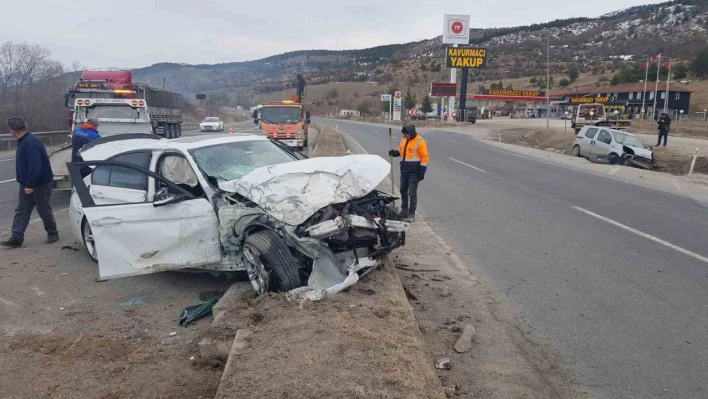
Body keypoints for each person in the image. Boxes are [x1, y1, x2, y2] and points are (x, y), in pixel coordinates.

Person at [1, 117, 58, 248]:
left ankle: (52, 233)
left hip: (39, 183)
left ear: (13, 130)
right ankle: (16, 238)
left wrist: (30, 185)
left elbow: (35, 166)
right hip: (28, 183)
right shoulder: (23, 141)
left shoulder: (30, 143)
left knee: (43, 209)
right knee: (22, 210)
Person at [388, 124, 429, 222]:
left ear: (412, 133)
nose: (405, 137)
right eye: (404, 135)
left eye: (407, 136)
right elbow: (402, 151)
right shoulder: (404, 139)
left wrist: (422, 172)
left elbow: (425, 157)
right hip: (404, 170)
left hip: (414, 172)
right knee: (402, 190)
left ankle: (411, 214)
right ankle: (404, 211)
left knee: (412, 193)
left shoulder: (420, 141)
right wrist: (394, 153)